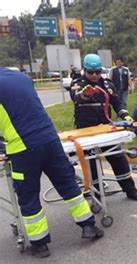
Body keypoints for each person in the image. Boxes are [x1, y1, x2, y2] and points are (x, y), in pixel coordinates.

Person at [0, 67, 104, 258]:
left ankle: (40, 245)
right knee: (68, 185)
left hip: (23, 148)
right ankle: (89, 226)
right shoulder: (21, 76)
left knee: (28, 195)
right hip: (50, 139)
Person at [70, 54, 137, 201]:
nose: (94, 75)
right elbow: (76, 97)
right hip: (86, 130)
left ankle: (130, 189)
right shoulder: (77, 84)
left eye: (97, 72)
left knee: (118, 158)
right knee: (91, 162)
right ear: (85, 70)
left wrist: (125, 116)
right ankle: (96, 192)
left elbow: (116, 103)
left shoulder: (107, 84)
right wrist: (85, 94)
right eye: (91, 72)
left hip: (105, 129)